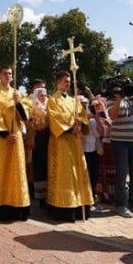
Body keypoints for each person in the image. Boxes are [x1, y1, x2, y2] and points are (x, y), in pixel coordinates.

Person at [46, 71, 94, 222]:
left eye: (69, 81)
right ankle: (64, 208)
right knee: (64, 173)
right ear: (58, 82)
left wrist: (81, 123)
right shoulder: (52, 100)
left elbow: (83, 115)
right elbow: (54, 119)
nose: (67, 83)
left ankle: (81, 205)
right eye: (65, 81)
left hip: (75, 141)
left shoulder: (74, 100)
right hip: (61, 142)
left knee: (79, 172)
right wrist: (69, 128)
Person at [0, 65, 30, 221]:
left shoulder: (16, 93)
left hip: (16, 135)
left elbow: (25, 118)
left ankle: (17, 205)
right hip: (0, 138)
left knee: (16, 170)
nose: (8, 76)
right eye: (5, 73)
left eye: (10, 74)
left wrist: (18, 103)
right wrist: (6, 134)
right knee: (0, 171)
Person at [107, 78, 133, 218]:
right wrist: (119, 98)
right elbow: (112, 116)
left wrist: (131, 96)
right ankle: (120, 204)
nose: (121, 89)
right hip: (119, 141)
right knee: (122, 174)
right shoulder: (111, 100)